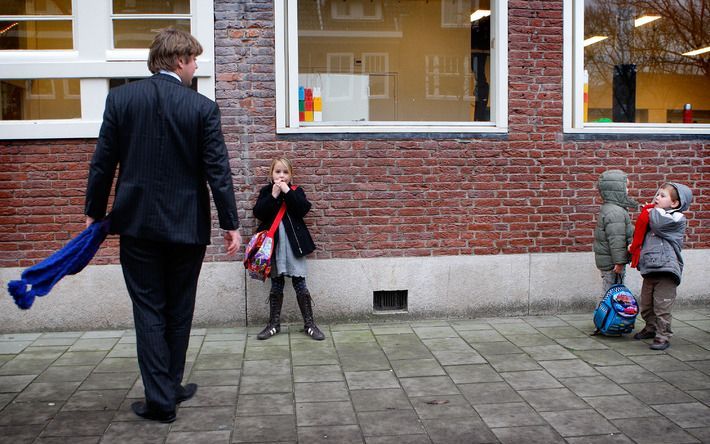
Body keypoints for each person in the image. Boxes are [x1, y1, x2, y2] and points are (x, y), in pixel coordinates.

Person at [84, 28, 241, 423]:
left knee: (149, 309)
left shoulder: (120, 100)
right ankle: (165, 392)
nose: (196, 67)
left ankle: (165, 393)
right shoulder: (202, 108)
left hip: (137, 225)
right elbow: (217, 171)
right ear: (178, 60)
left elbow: (103, 162)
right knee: (178, 309)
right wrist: (230, 223)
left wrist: (94, 211)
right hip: (186, 228)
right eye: (194, 60)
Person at [253, 157, 325, 341]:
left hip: (294, 246)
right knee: (276, 284)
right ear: (272, 174)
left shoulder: (296, 191)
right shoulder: (266, 192)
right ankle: (273, 325)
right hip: (274, 246)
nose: (281, 175)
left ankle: (309, 324)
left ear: (290, 175)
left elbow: (303, 209)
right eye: (278, 172)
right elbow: (259, 213)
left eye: (285, 172)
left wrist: (286, 191)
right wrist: (274, 195)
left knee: (300, 283)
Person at [629, 182, 692, 350]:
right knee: (647, 305)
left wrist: (650, 211)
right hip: (650, 269)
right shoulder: (654, 214)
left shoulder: (676, 218)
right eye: (657, 194)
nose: (657, 198)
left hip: (667, 271)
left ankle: (663, 336)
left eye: (662, 196)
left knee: (662, 306)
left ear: (675, 204)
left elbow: (659, 224)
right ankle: (651, 328)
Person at [593, 170, 638, 296]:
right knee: (610, 294)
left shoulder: (612, 208)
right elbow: (616, 240)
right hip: (612, 263)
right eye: (626, 187)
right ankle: (604, 315)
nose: (628, 190)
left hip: (609, 260)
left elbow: (621, 232)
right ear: (615, 190)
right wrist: (619, 263)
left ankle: (605, 314)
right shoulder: (615, 212)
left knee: (610, 291)